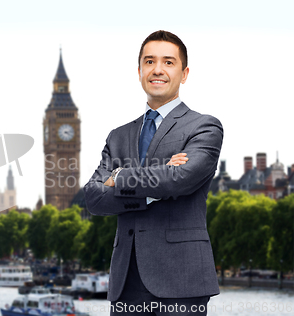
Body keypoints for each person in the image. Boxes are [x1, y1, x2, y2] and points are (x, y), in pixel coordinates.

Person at [84, 30, 223, 315]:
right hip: (126, 281)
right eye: (149, 62)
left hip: (181, 279)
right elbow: (94, 199)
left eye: (168, 62)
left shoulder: (204, 127)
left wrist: (120, 177)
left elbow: (178, 180)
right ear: (139, 72)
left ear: (184, 74)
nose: (157, 69)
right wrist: (152, 191)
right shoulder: (118, 136)